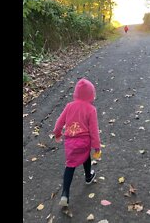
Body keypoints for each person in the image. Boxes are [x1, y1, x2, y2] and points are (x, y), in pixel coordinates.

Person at [53, 78, 102, 207]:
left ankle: (65, 194)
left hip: (70, 142)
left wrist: (57, 134)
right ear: (91, 95)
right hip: (84, 141)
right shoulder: (91, 109)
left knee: (70, 165)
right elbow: (94, 130)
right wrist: (96, 146)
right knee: (86, 156)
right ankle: (88, 176)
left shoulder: (69, 106)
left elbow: (59, 123)